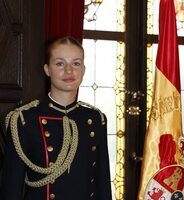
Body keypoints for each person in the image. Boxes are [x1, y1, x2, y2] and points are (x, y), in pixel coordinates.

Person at [1, 36, 112, 200]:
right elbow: (11, 189)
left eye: (76, 63)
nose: (69, 71)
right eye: (60, 63)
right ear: (47, 69)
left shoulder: (95, 119)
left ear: (83, 69)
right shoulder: (24, 120)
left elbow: (102, 185)